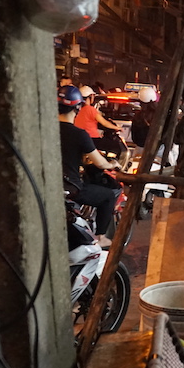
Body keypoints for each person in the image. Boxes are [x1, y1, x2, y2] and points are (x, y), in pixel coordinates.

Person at [57, 85, 121, 248]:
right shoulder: (79, 134)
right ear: (77, 107)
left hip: (50, 186)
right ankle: (100, 237)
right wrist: (113, 164)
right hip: (71, 187)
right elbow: (99, 162)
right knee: (108, 196)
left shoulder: (48, 130)